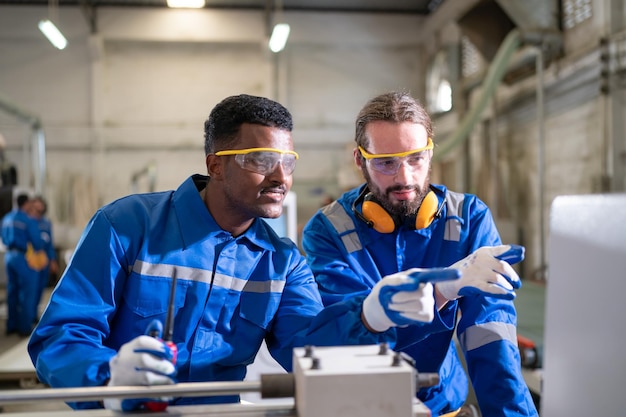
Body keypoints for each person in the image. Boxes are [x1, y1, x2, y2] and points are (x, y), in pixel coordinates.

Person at [28, 94, 461, 412]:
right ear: (216, 164)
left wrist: (370, 314)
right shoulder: (126, 227)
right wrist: (109, 376)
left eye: (287, 161)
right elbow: (58, 339)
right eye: (259, 159)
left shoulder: (282, 262)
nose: (280, 177)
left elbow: (308, 347)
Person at [302, 91, 538, 417]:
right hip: (362, 407)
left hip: (442, 406)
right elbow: (342, 341)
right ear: (360, 160)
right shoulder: (328, 231)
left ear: (430, 153)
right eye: (386, 163)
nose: (405, 178)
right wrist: (441, 291)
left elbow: (491, 336)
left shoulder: (469, 218)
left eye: (416, 158)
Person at [1, 193, 46, 336]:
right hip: (23, 257)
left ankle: (11, 325)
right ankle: (24, 328)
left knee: (12, 291)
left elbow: (2, 237)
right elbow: (37, 243)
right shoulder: (27, 220)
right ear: (26, 204)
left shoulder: (6, 218)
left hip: (8, 257)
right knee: (28, 292)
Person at [29, 196, 59, 321]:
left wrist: (52, 260)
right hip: (30, 259)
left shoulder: (46, 223)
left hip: (43, 259)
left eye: (40, 204)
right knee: (30, 289)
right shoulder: (28, 221)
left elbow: (50, 243)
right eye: (36, 205)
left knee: (40, 288)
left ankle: (34, 314)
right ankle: (27, 316)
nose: (38, 207)